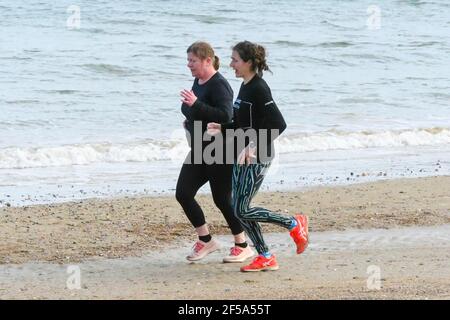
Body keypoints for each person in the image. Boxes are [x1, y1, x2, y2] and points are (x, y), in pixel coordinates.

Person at [207, 41, 309, 272]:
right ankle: (265, 255)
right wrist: (223, 127)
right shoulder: (245, 86)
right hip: (242, 155)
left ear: (249, 62)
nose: (231, 64)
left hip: (258, 155)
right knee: (238, 208)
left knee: (241, 209)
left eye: (235, 60)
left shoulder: (259, 88)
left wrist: (253, 145)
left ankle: (294, 223)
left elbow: (279, 123)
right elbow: (244, 123)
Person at [176, 41, 254, 263]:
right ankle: (206, 240)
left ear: (207, 60)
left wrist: (196, 105)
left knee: (222, 199)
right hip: (199, 149)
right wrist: (189, 119)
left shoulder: (220, 84)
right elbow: (197, 109)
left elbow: (225, 116)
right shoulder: (199, 80)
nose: (189, 65)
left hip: (220, 150)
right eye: (188, 60)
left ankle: (242, 244)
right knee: (183, 192)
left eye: (193, 60)